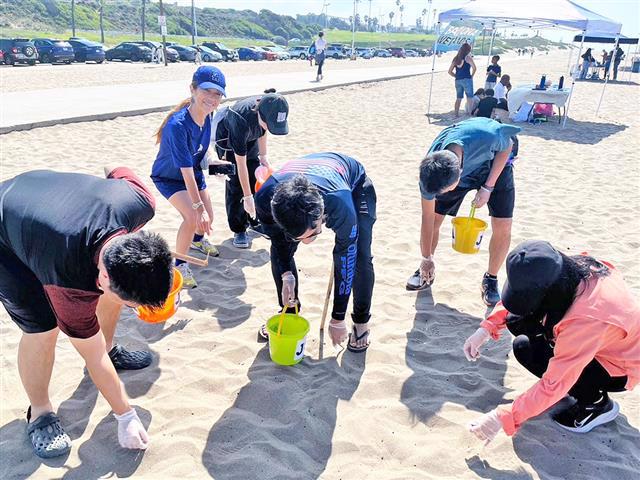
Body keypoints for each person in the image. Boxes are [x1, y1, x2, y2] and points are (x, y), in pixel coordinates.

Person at [0, 167, 174, 458]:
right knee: (42, 327)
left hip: (43, 193)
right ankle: (40, 412)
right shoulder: (68, 284)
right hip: (6, 234)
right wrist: (125, 416)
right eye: (136, 306)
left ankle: (111, 348)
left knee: (112, 298)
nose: (135, 310)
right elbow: (90, 355)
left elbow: (114, 169)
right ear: (104, 276)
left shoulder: (139, 203)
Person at [464, 241, 639, 443]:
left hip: (621, 366)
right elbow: (523, 291)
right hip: (601, 342)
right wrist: (486, 329)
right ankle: (580, 387)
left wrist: (502, 416)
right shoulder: (568, 269)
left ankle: (596, 403)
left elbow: (554, 384)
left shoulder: (585, 320)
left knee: (534, 355)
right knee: (521, 336)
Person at [254, 152, 376, 352]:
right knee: (282, 247)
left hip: (354, 185)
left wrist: (337, 318)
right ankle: (289, 312)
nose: (308, 241)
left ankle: (361, 322)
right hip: (299, 178)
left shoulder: (338, 202)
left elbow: (346, 258)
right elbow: (278, 242)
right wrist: (286, 274)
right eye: (300, 237)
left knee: (360, 257)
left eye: (314, 232)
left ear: (322, 216)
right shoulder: (265, 198)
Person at [406, 117, 521, 306]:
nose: (440, 195)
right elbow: (427, 218)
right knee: (435, 219)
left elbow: (507, 144)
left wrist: (488, 187)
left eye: (446, 190)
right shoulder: (430, 173)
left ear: (460, 172)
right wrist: (426, 257)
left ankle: (491, 279)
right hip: (458, 168)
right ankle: (426, 269)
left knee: (503, 225)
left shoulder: (487, 136)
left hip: (495, 162)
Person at [151, 66, 226, 288]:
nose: (212, 98)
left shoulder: (208, 116)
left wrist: (213, 162)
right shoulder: (178, 125)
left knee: (208, 219)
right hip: (169, 177)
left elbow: (201, 152)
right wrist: (197, 207)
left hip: (193, 172)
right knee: (193, 217)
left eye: (218, 94)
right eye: (207, 91)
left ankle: (197, 241)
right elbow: (184, 172)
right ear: (193, 89)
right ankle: (179, 266)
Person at [213, 90, 289, 249]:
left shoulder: (269, 108)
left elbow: (263, 131)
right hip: (226, 140)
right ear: (260, 115)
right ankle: (239, 229)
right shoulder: (240, 119)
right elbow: (240, 164)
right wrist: (247, 197)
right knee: (235, 185)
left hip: (250, 135)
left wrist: (263, 156)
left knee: (256, 176)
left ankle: (254, 220)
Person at [448, 43, 476, 117]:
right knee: (470, 97)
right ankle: (469, 114)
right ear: (468, 50)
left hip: (458, 80)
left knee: (459, 98)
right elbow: (474, 68)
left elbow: (449, 71)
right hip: (467, 79)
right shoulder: (468, 58)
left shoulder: (456, 58)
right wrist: (472, 76)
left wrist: (456, 76)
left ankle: (456, 114)